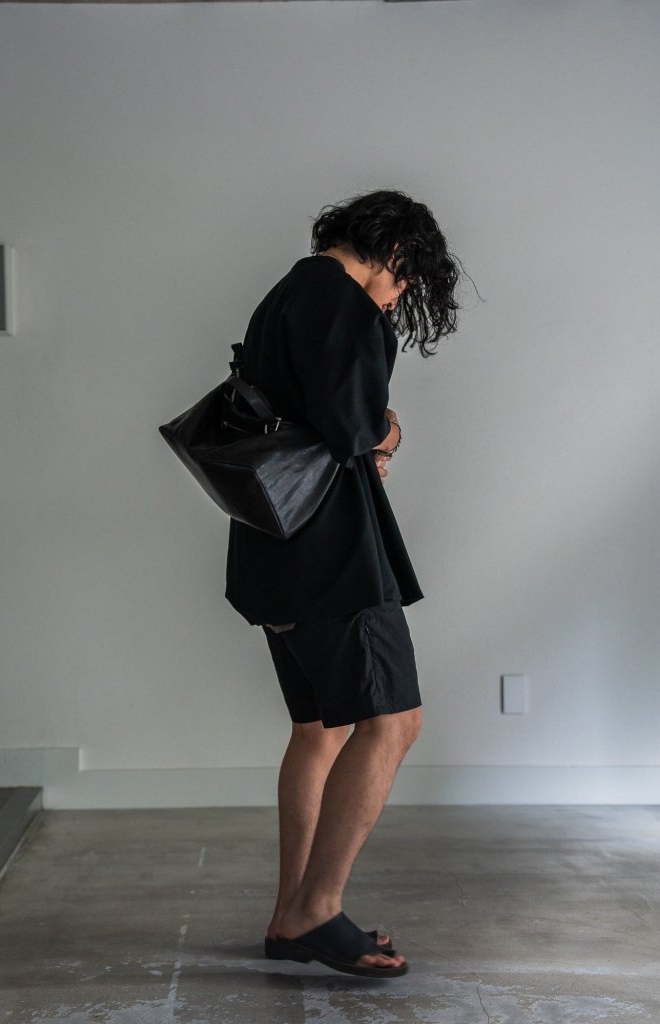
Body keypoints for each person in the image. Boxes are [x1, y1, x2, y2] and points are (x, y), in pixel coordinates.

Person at [225, 190, 461, 978]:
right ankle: (317, 910)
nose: (403, 291)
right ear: (390, 248)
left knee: (320, 730)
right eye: (407, 274)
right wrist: (388, 433)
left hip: (275, 550)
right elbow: (355, 428)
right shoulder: (339, 301)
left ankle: (288, 919)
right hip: (331, 556)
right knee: (394, 722)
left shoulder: (286, 294)